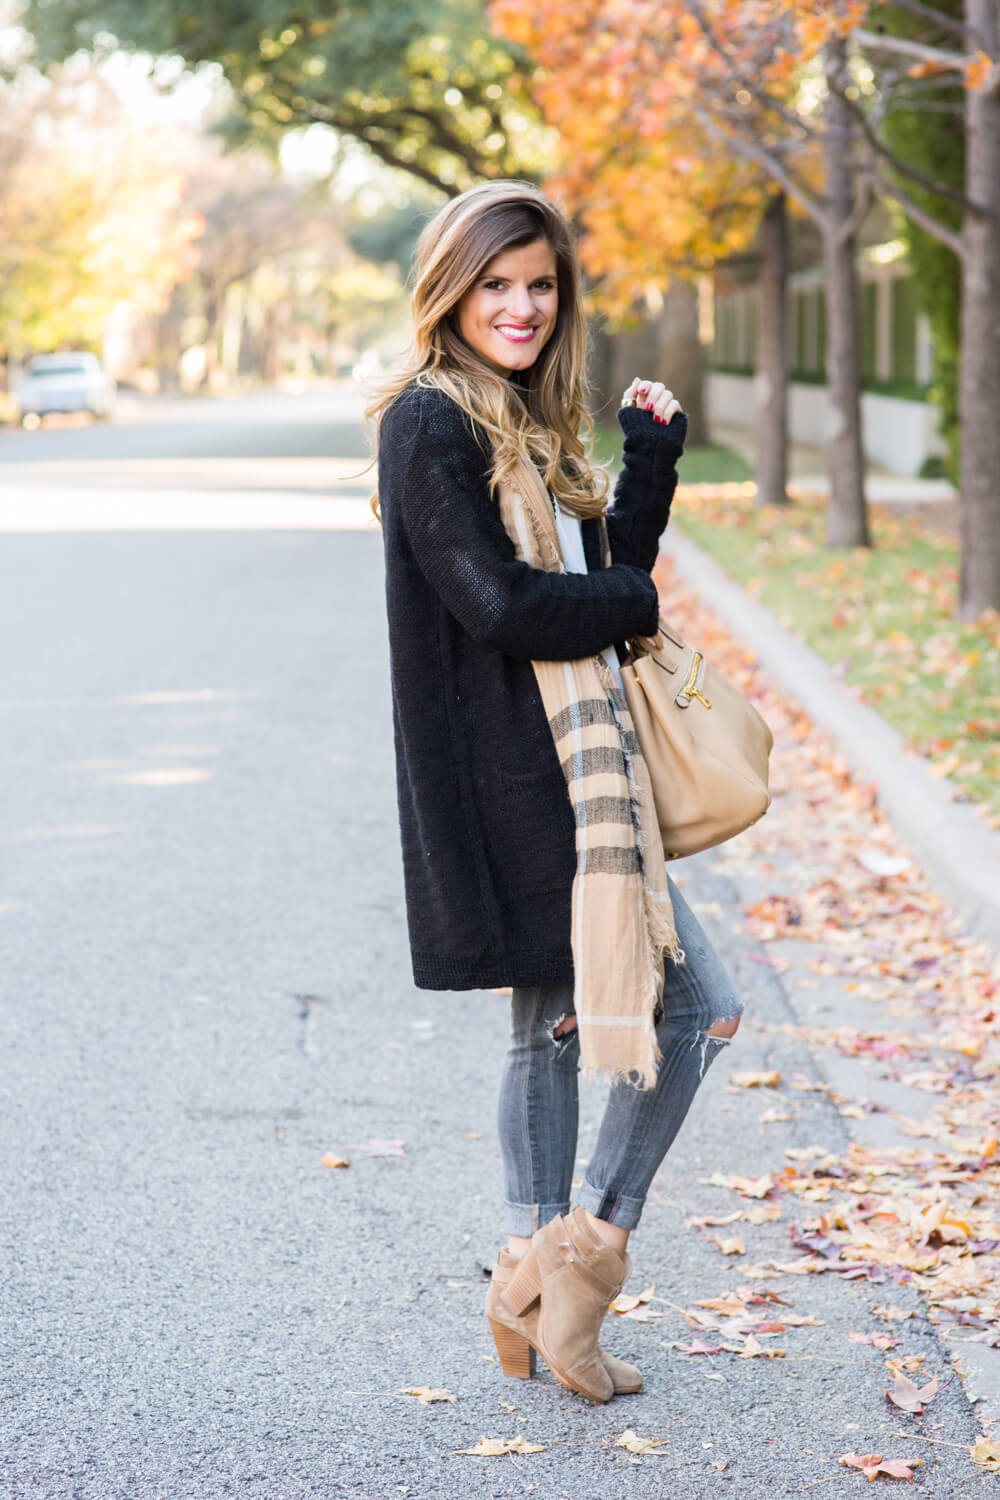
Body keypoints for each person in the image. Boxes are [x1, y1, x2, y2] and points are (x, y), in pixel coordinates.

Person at [369, 180, 744, 1405]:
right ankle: (579, 1260)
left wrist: (651, 461)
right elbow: (507, 608)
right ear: (451, 292)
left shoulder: (529, 425)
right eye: (496, 285)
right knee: (691, 1012)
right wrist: (633, 606)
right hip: (512, 785)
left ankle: (536, 1275)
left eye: (539, 285)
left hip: (570, 779)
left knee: (562, 1025)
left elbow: (605, 577)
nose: (521, 306)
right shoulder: (430, 424)